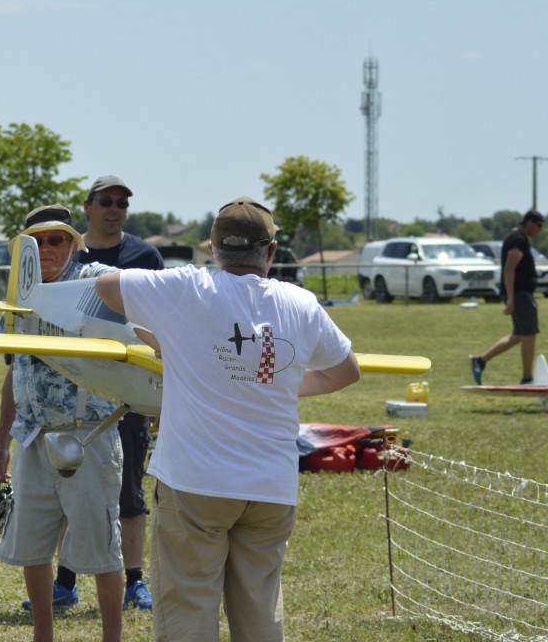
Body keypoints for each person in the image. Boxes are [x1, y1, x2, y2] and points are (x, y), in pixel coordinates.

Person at [95, 196, 361, 642]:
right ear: (271, 252)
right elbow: (346, 370)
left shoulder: (187, 287)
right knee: (260, 613)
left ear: (213, 249)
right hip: (271, 486)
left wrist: (170, 339)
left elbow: (106, 285)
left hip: (194, 483)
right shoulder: (302, 302)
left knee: (187, 610)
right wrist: (279, 382)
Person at [23, 175, 162, 613]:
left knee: (128, 496)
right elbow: (17, 371)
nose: (115, 208)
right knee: (60, 503)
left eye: (122, 201)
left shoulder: (139, 257)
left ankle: (134, 581)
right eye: (107, 200)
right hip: (48, 419)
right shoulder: (32, 283)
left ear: (71, 244)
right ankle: (65, 581)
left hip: (120, 400)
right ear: (89, 206)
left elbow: (153, 315)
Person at [0, 204, 125, 642]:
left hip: (88, 432)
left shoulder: (93, 281)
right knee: (33, 546)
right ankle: (42, 635)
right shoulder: (18, 295)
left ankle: (112, 637)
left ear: (73, 245)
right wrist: (1, 444)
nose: (47, 249)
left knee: (101, 545)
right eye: (37, 241)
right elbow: (14, 371)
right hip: (32, 437)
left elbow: (131, 297)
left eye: (57, 240)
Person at [470, 210, 546, 386]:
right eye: (539, 225)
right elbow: (509, 269)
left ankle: (480, 361)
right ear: (529, 223)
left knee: (519, 334)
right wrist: (511, 299)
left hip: (521, 294)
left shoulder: (517, 238)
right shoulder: (518, 240)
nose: (540, 230)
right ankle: (527, 378)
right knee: (529, 333)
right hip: (518, 294)